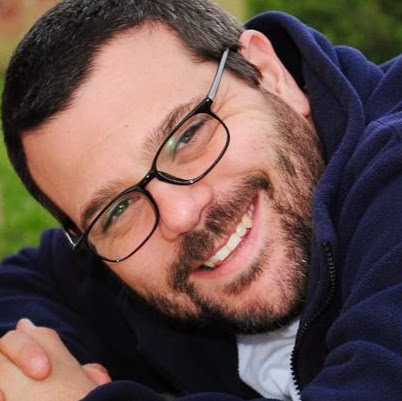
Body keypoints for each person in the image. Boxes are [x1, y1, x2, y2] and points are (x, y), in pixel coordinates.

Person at [1, 0, 402, 400]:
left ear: (269, 74)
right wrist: (33, 365)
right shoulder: (121, 260)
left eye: (188, 136)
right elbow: (23, 283)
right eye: (119, 208)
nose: (180, 215)